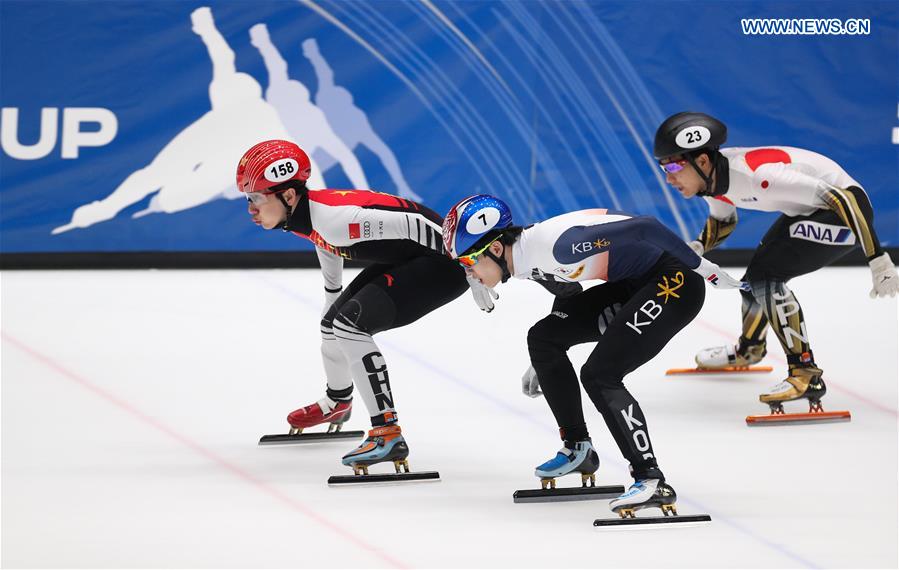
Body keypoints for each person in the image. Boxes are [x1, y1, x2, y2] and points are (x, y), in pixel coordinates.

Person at [442, 194, 743, 516]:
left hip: (675, 281)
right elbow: (568, 292)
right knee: (543, 338)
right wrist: (548, 358)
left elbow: (646, 227)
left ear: (497, 249)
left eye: (468, 262)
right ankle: (578, 449)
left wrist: (705, 268)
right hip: (634, 283)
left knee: (601, 375)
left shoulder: (558, 246)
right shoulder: (524, 260)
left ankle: (651, 480)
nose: (469, 273)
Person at [237, 139, 495, 474]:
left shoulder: (335, 218)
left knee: (349, 325)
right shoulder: (306, 212)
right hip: (413, 256)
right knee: (333, 323)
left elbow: (415, 223)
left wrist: (471, 265)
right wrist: (332, 293)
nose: (250, 208)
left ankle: (387, 433)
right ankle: (338, 401)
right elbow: (323, 243)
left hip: (442, 264)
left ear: (287, 196)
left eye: (256, 198)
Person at [653, 112, 898, 413]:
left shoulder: (760, 177)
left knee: (766, 280)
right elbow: (723, 221)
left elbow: (843, 199)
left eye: (674, 166)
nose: (669, 178)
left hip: (846, 212)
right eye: (664, 168)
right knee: (753, 281)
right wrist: (697, 247)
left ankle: (805, 373)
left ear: (702, 161)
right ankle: (750, 350)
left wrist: (878, 260)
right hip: (810, 211)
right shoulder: (712, 181)